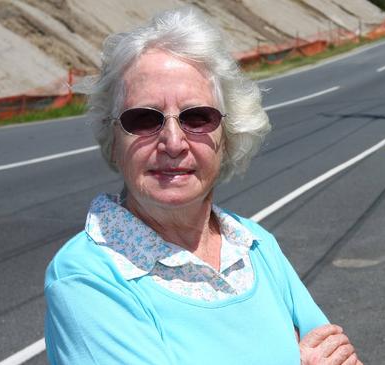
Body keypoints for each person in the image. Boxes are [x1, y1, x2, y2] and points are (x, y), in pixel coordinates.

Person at [43, 7, 362, 365]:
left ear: (227, 134)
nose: (174, 142)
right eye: (144, 119)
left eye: (197, 117)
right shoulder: (87, 278)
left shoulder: (253, 245)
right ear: (113, 139)